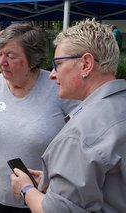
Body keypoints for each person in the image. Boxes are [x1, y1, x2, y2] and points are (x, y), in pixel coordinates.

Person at [0, 23, 79, 213]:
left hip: (40, 201)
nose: (2, 61)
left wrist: (62, 176)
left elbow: (85, 138)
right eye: (0, 53)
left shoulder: (57, 87)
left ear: (32, 59)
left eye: (11, 56)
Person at [10, 19, 126, 212]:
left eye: (58, 64)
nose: (52, 74)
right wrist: (60, 180)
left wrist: (26, 189)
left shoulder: (80, 135)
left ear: (86, 64)